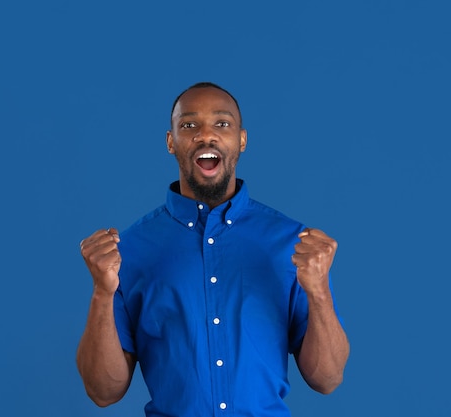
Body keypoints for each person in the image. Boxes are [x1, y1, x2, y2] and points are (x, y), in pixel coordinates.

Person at [77, 82, 350, 416]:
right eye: (189, 125)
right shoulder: (129, 251)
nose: (206, 135)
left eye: (222, 124)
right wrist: (102, 294)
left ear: (242, 140)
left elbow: (327, 379)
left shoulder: (293, 244)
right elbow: (104, 392)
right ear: (170, 142)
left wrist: (319, 292)